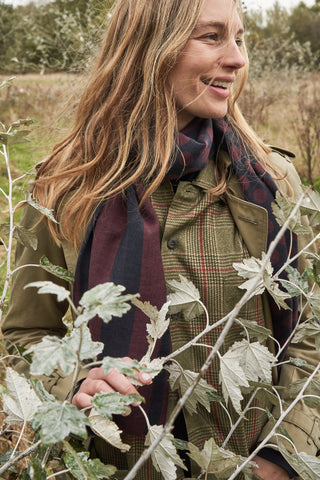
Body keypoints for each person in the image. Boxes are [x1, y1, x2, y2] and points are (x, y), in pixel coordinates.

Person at [3, 0, 320, 478]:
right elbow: (23, 338)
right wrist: (71, 382)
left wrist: (282, 459)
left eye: (239, 38)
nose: (236, 58)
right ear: (148, 50)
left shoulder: (270, 185)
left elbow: (309, 335)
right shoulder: (63, 190)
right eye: (211, 37)